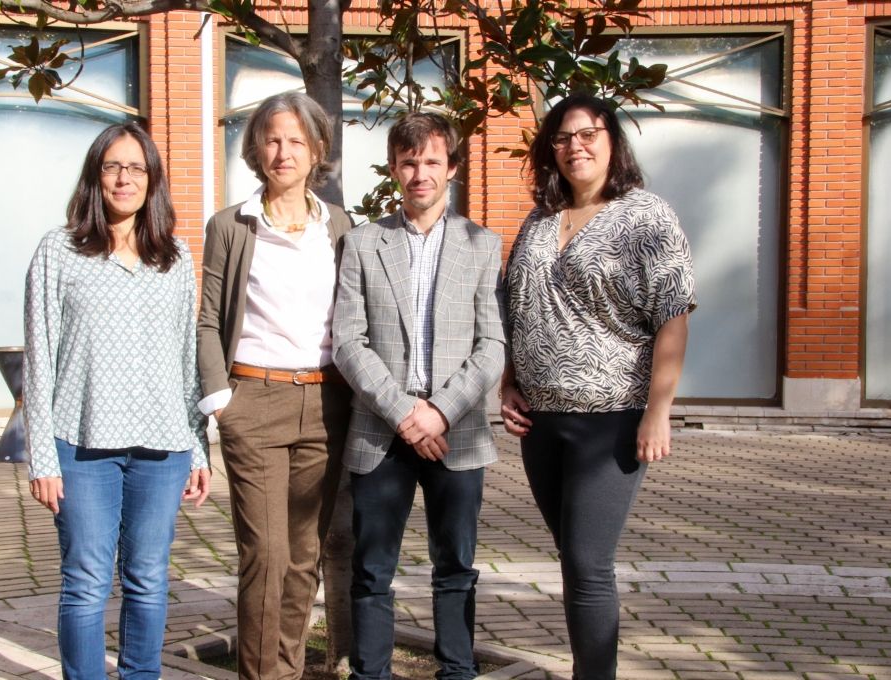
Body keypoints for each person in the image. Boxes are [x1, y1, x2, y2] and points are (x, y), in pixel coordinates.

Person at [498, 93, 696, 679]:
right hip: (541, 422)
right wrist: (508, 381)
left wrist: (658, 412)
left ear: (613, 142)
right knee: (574, 561)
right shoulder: (539, 220)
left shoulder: (646, 217)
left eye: (588, 134)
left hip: (610, 419)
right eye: (562, 138)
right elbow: (517, 304)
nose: (574, 146)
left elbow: (673, 315)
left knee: (588, 563)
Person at [23, 121, 211, 680]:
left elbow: (186, 363)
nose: (124, 177)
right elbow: (39, 359)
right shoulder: (58, 251)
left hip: (162, 449)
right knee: (85, 580)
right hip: (80, 449)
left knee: (149, 578)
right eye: (112, 166)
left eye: (136, 167)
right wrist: (42, 458)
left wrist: (199, 451)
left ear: (152, 179)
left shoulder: (174, 258)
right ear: (95, 176)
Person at [333, 112, 505, 680]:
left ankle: (457, 671)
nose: (420, 173)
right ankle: (370, 674)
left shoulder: (482, 245)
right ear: (394, 169)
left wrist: (439, 411)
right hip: (382, 431)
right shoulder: (362, 243)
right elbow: (348, 341)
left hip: (457, 431)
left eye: (432, 161)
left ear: (451, 168)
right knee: (372, 567)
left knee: (455, 565)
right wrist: (406, 411)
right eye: (409, 162)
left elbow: (492, 346)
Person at [196, 93, 353, 680]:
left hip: (326, 402)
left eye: (295, 140)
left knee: (304, 557)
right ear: (256, 149)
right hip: (254, 404)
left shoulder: (339, 225)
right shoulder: (230, 226)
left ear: (316, 150)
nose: (282, 151)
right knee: (267, 557)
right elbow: (209, 320)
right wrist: (222, 402)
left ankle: (286, 668)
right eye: (271, 139)